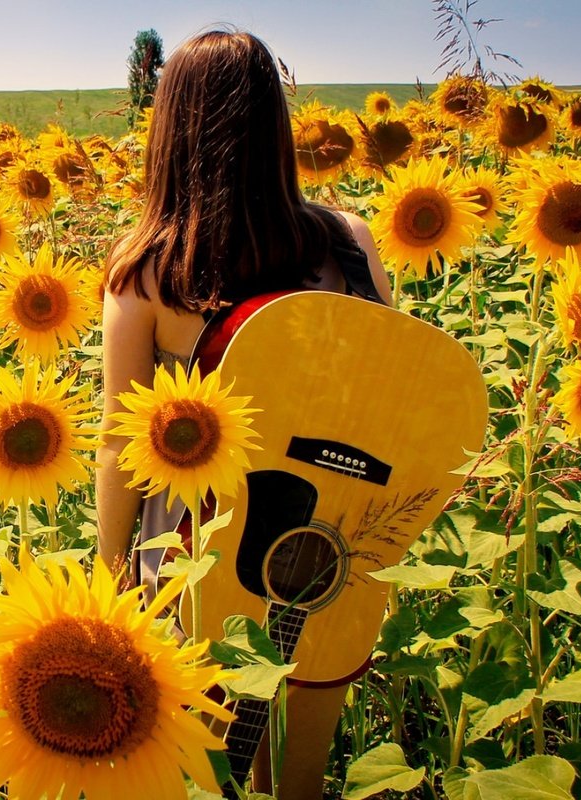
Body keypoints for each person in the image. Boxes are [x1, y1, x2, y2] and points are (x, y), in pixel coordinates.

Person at [95, 28, 393, 800]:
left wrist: (109, 569)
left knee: (204, 774)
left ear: (170, 130)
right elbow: (397, 393)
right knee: (298, 777)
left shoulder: (147, 270)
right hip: (332, 545)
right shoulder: (349, 244)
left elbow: (119, 442)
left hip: (199, 557)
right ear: (275, 124)